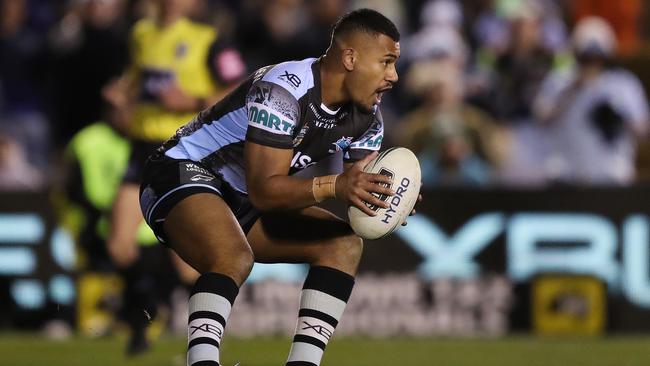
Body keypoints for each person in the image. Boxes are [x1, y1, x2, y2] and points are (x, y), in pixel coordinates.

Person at [139, 8, 405, 366]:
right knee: (232, 255)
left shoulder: (368, 118)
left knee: (343, 246)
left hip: (242, 197)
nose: (394, 76)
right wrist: (336, 184)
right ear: (350, 57)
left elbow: (355, 190)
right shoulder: (283, 89)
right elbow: (266, 190)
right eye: (387, 62)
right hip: (181, 171)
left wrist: (386, 199)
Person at [103, 0, 245, 272]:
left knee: (187, 262)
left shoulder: (208, 40)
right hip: (142, 148)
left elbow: (240, 89)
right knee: (119, 245)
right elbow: (135, 79)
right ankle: (150, 304)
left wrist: (193, 100)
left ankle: (191, 306)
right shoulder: (141, 33)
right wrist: (121, 95)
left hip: (185, 151)